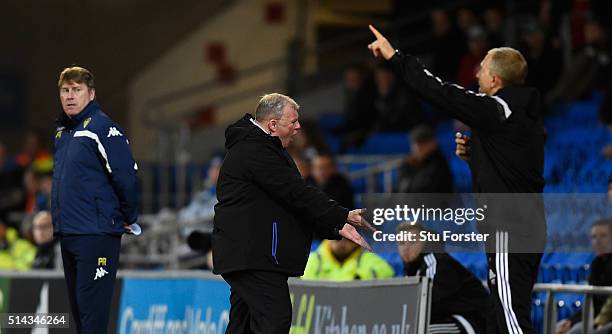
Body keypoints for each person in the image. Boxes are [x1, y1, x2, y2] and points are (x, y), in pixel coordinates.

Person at [369, 25, 546, 333]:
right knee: (500, 318)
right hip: (525, 223)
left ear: (495, 79)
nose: (477, 73)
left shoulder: (497, 108)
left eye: (483, 68)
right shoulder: (522, 118)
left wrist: (394, 57)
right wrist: (476, 157)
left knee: (510, 319)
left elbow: (440, 91)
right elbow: (515, 171)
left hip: (509, 227)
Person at [212, 93, 373, 334]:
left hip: (251, 255)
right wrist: (340, 216)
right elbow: (296, 193)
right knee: (275, 319)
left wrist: (333, 227)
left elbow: (291, 205)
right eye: (293, 122)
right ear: (273, 125)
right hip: (255, 256)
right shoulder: (255, 151)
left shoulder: (262, 148)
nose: (298, 127)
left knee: (242, 325)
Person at [51, 66, 140, 334]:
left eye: (76, 90)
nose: (70, 96)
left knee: (93, 316)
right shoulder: (63, 133)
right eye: (65, 90)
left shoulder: (103, 128)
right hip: (69, 232)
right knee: (80, 314)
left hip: (96, 233)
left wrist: (127, 216)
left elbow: (126, 176)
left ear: (91, 94)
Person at [397, 223, 488, 334]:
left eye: (412, 242)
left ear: (425, 241)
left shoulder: (436, 262)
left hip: (472, 322)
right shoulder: (413, 270)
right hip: (450, 319)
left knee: (419, 330)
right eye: (401, 243)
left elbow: (429, 304)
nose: (406, 248)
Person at [556, 219, 612, 334]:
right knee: (560, 326)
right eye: (594, 237)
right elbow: (592, 304)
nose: (598, 241)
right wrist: (571, 320)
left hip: (606, 320)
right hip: (597, 319)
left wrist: (600, 322)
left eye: (603, 236)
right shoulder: (596, 264)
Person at [302, 237, 394, 281]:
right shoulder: (313, 260)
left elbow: (388, 273)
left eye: (348, 238)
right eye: (338, 237)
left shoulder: (369, 259)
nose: (342, 243)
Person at [397, 125, 453, 193]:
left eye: (422, 144)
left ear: (433, 143)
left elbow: (421, 191)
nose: (417, 148)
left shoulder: (439, 165)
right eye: (415, 144)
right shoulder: (411, 163)